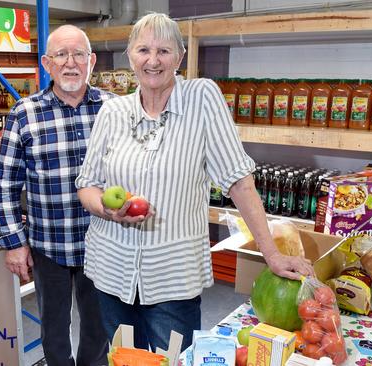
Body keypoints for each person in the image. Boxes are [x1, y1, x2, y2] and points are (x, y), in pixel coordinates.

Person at [75, 13, 314, 352]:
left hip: (173, 278)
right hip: (112, 271)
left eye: (164, 51)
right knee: (125, 359)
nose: (153, 61)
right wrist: (106, 209)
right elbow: (87, 185)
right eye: (143, 50)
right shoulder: (112, 113)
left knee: (172, 358)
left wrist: (271, 254)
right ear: (130, 56)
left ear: (180, 56)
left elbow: (239, 182)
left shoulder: (201, 99)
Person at [0, 24, 114, 366]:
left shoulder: (115, 109)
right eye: (61, 54)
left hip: (103, 244)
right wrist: (14, 243)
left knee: (98, 327)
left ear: (92, 61)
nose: (70, 63)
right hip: (50, 245)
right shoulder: (24, 113)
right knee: (54, 330)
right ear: (47, 64)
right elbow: (6, 183)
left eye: (78, 54)